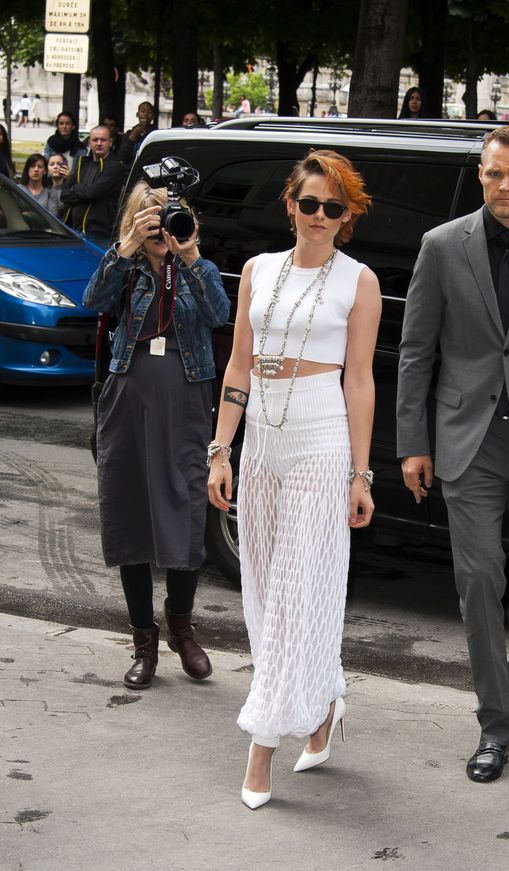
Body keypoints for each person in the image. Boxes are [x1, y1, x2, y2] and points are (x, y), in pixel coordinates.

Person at [397, 125, 509, 784]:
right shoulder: (443, 246)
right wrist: (413, 442)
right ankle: (495, 724)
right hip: (466, 441)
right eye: (493, 174)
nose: (504, 186)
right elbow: (417, 351)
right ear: (481, 174)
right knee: (478, 581)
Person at [208, 149, 381, 809]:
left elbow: (359, 380)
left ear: (348, 215)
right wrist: (220, 448)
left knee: (291, 590)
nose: (318, 216)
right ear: (290, 205)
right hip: (262, 443)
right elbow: (238, 367)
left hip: (320, 437)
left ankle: (261, 746)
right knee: (261, 586)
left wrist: (360, 473)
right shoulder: (257, 270)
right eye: (308, 203)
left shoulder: (357, 281)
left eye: (333, 208)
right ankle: (325, 699)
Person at [82, 180, 230, 690]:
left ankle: (182, 628)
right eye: (147, 218)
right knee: (130, 514)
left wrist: (187, 256)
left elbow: (219, 315)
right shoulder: (121, 267)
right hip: (127, 402)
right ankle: (143, 641)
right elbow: (91, 299)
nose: (158, 227)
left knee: (186, 511)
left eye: (165, 217)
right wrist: (124, 250)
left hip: (186, 404)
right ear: (133, 223)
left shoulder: (198, 269)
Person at [60, 125, 125, 248]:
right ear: (89, 142)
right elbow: (64, 194)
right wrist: (85, 192)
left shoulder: (115, 167)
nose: (99, 143)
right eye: (95, 140)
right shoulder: (82, 164)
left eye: (103, 140)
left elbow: (94, 193)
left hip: (99, 235)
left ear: (110, 143)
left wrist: (76, 188)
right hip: (74, 230)